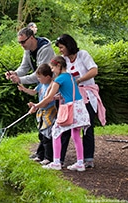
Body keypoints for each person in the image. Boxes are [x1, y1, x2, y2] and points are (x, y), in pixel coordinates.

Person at [28, 55, 90, 171]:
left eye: (52, 68)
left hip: (69, 109)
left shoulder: (59, 79)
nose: (52, 71)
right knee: (76, 135)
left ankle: (56, 162)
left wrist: (36, 106)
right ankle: (80, 163)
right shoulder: (70, 76)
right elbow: (66, 93)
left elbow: (48, 98)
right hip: (79, 108)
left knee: (55, 132)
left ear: (59, 66)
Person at [55, 34, 106, 168]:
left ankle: (88, 158)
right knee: (66, 125)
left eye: (61, 47)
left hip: (86, 94)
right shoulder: (65, 60)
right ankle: (59, 158)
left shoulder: (83, 55)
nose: (60, 50)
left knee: (87, 126)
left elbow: (94, 70)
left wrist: (79, 80)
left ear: (68, 45)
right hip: (72, 97)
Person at [5, 27, 55, 161]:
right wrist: (14, 73)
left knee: (49, 127)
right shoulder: (27, 50)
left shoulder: (45, 50)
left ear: (31, 38)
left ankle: (49, 156)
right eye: (19, 43)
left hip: (52, 89)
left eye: (23, 42)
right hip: (42, 89)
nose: (21, 45)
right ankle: (41, 154)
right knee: (42, 125)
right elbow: (24, 67)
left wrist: (21, 80)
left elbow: (39, 74)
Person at [18, 64, 57, 165]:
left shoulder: (53, 85)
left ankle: (49, 157)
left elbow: (47, 100)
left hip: (50, 112)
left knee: (47, 135)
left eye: (40, 77)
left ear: (47, 77)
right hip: (41, 111)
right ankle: (40, 155)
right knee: (41, 134)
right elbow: (34, 92)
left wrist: (35, 106)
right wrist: (25, 89)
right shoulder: (41, 84)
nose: (38, 79)